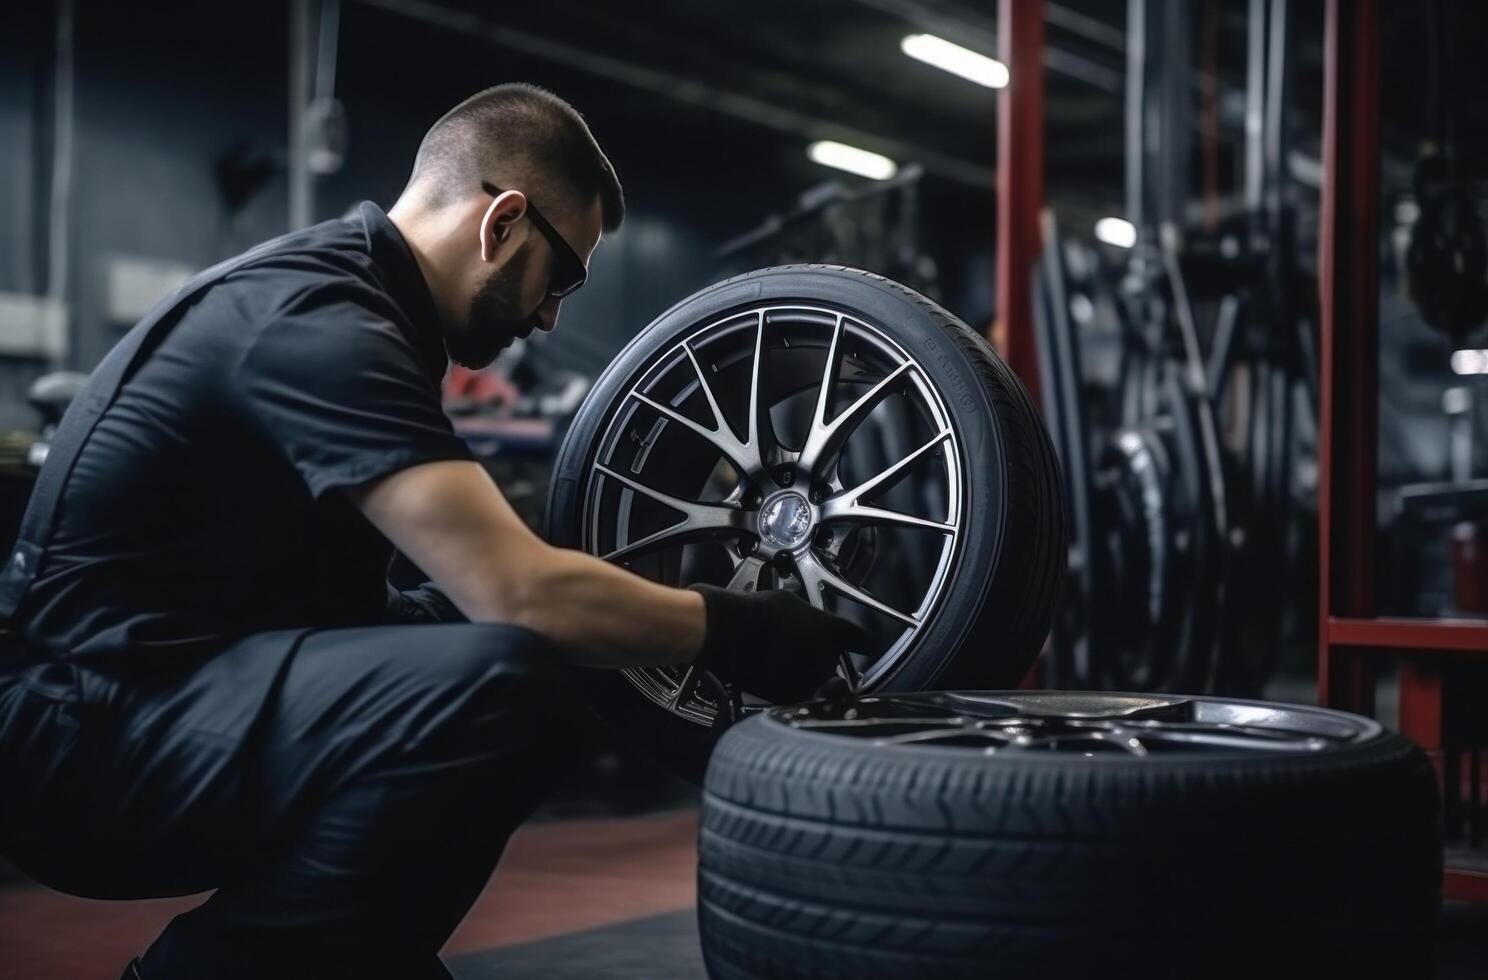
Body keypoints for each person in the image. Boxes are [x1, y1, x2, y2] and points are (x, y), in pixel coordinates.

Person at [0, 83, 865, 979]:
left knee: (476, 641)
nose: (549, 318)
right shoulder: (319, 321)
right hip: (84, 740)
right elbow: (519, 593)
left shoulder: (368, 308)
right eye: (561, 276)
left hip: (178, 690)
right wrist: (738, 627)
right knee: (499, 680)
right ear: (502, 222)